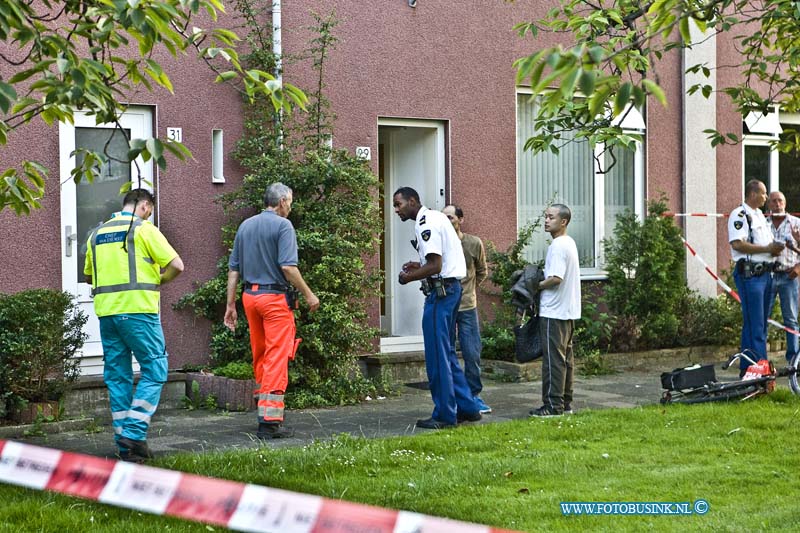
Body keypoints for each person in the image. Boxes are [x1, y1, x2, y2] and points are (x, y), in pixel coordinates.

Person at [84, 188, 184, 460]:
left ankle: (124, 446)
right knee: (155, 368)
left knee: (118, 376)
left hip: (107, 315)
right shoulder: (144, 230)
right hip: (139, 311)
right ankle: (135, 431)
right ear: (144, 205)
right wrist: (159, 281)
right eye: (149, 208)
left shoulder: (97, 233)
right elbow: (178, 265)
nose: (150, 213)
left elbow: (88, 276)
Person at [224, 182, 319, 439]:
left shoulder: (245, 226)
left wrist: (231, 305)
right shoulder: (283, 226)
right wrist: (309, 295)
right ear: (282, 202)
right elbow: (288, 268)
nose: (291, 206)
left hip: (249, 297)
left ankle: (262, 406)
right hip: (274, 299)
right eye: (290, 201)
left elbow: (233, 270)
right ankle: (269, 421)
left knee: (261, 352)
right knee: (277, 354)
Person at [393, 187, 481, 429]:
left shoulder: (425, 222)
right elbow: (438, 259)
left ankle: (444, 414)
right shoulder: (436, 217)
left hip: (440, 295)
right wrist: (417, 264)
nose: (396, 210)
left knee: (437, 356)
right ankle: (468, 407)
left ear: (412, 201)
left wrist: (407, 278)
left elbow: (435, 265)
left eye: (399, 204)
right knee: (448, 354)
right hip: (453, 290)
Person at [728, 180, 785, 376]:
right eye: (763, 193)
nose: (766, 197)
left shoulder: (760, 215)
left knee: (756, 324)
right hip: (751, 275)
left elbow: (765, 243)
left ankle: (749, 369)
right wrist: (767, 249)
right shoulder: (740, 215)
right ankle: (761, 371)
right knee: (756, 325)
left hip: (766, 274)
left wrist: (774, 249)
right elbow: (737, 244)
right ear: (753, 194)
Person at [530, 204, 581, 417]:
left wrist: (535, 285)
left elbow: (556, 278)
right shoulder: (569, 243)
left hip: (554, 312)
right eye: (545, 217)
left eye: (551, 217)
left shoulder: (558, 246)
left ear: (563, 222)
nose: (546, 220)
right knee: (565, 360)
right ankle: (565, 403)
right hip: (567, 311)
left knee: (553, 361)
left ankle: (552, 406)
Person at [442, 204, 491, 414]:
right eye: (444, 218)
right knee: (447, 352)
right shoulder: (440, 243)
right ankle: (454, 396)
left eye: (451, 218)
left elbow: (482, 272)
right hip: (446, 306)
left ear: (460, 219)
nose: (447, 222)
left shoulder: (473, 243)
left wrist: (469, 290)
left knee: (472, 352)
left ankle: (474, 395)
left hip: (467, 306)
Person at [766, 190, 800, 364]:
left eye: (780, 200)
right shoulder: (763, 224)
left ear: (785, 203)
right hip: (768, 276)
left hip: (789, 277)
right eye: (773, 201)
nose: (777, 204)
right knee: (762, 317)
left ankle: (793, 362)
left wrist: (799, 268)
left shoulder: (796, 223)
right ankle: (760, 361)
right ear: (769, 204)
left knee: (791, 319)